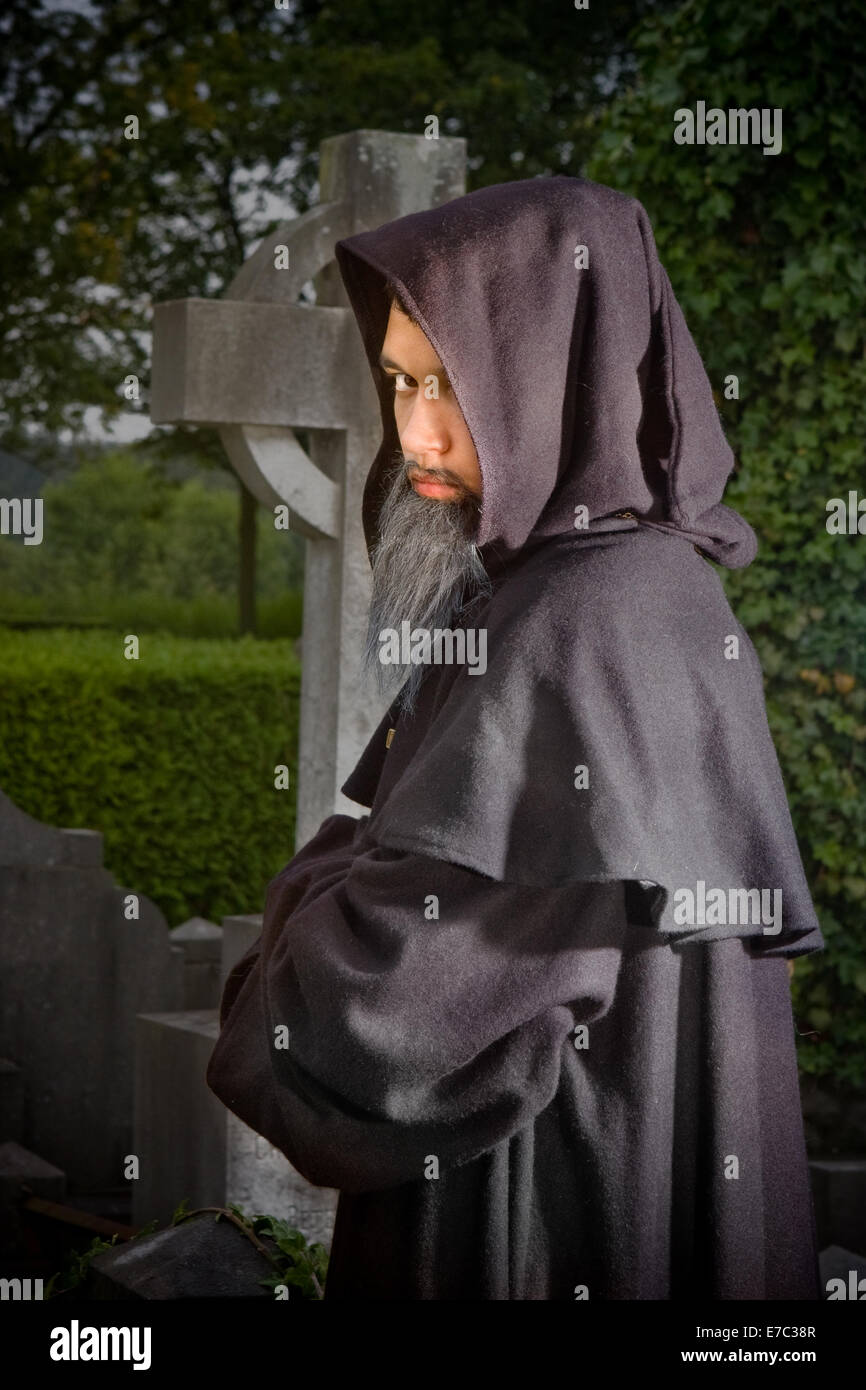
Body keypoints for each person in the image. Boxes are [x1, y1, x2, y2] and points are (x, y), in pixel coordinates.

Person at [206, 175, 825, 1300]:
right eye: (399, 382)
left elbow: (370, 1023)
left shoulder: (583, 624)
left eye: (450, 386)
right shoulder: (622, 589)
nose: (416, 432)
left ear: (559, 371)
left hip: (534, 1221)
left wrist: (295, 914)